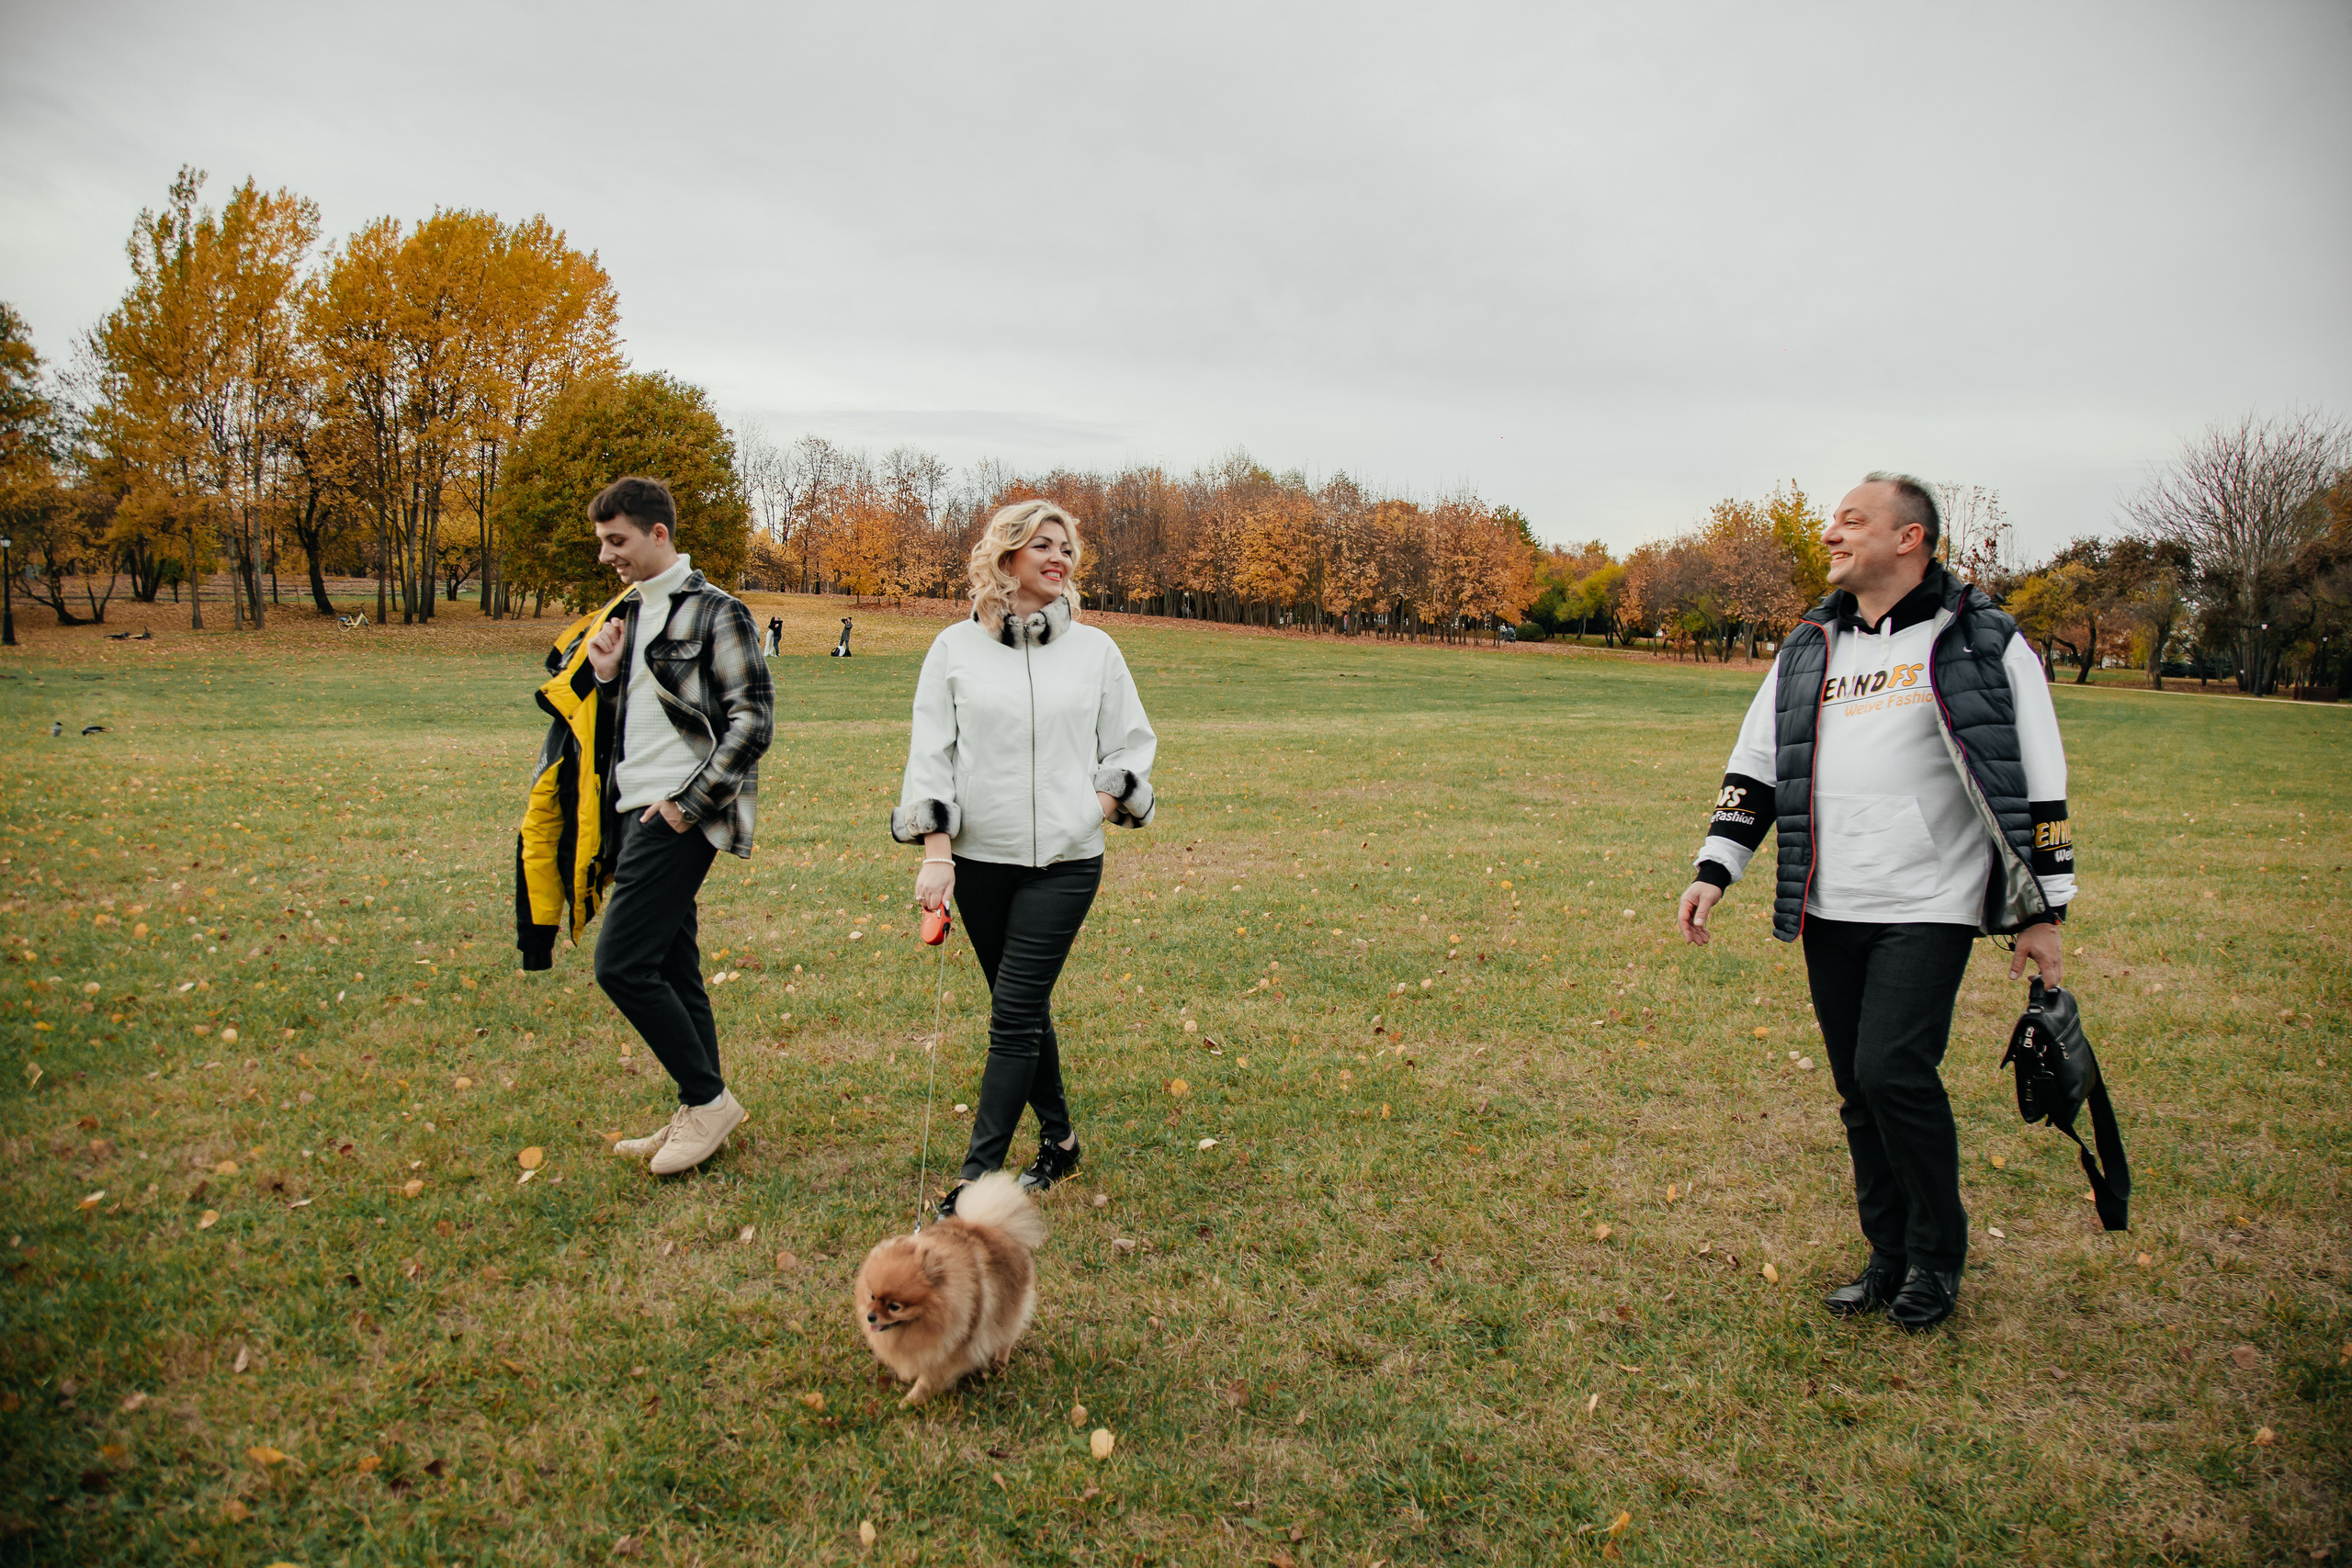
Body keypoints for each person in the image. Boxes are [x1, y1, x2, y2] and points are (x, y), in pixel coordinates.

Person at [1674, 472, 2075, 1332]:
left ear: (1910, 538)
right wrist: (1718, 865)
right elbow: (1757, 762)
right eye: (1832, 521)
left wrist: (2044, 909)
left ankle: (1937, 1257)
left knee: (1896, 1070)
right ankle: (1887, 1256)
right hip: (1830, 898)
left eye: (1853, 520)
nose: (1831, 533)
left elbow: (2039, 777)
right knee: (1860, 1085)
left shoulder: (1983, 641)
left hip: (1929, 900)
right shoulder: (1811, 643)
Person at [891, 500, 1157, 1216]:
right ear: (1005, 555)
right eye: (1042, 544)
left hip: (1066, 864)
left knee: (1011, 1013)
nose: (1058, 558)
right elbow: (931, 756)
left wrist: (1092, 810)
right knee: (1024, 1006)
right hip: (978, 863)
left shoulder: (1097, 651)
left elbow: (1131, 744)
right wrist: (937, 853)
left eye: (1066, 548)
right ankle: (1061, 1143)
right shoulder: (953, 648)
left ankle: (975, 1186)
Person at [571, 475, 774, 1175]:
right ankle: (700, 1109)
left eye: (616, 540)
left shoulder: (719, 612)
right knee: (669, 963)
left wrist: (687, 806)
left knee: (620, 964)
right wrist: (605, 675)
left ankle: (708, 1098)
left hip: (679, 812)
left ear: (659, 534)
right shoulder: (629, 613)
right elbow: (637, 723)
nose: (607, 556)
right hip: (632, 811)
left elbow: (752, 721)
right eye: (603, 541)